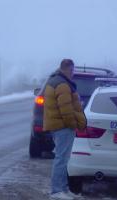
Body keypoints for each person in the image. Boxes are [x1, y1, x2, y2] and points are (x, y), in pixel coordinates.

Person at [43, 59, 87, 200]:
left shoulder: (54, 80)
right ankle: (57, 191)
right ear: (68, 69)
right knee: (61, 158)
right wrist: (72, 124)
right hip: (63, 126)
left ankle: (63, 189)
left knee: (63, 158)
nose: (73, 73)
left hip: (58, 125)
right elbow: (66, 110)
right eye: (73, 71)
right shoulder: (62, 85)